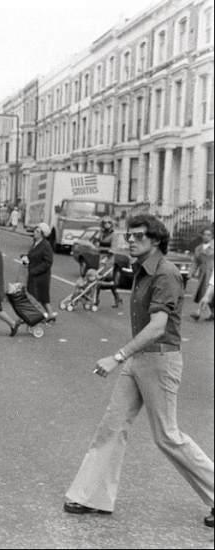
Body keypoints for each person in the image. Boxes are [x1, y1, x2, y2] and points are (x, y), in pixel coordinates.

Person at [64, 214, 214, 528]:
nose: (131, 240)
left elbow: (158, 327)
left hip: (160, 360)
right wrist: (128, 358)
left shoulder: (166, 273)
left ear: (156, 240)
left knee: (167, 437)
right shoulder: (142, 269)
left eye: (138, 236)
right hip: (139, 359)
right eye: (129, 235)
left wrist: (118, 356)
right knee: (112, 424)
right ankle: (92, 497)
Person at [22, 223, 58, 321]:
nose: (35, 232)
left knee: (36, 296)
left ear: (42, 234)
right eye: (35, 230)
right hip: (34, 274)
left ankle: (39, 316)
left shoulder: (46, 245)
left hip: (41, 275)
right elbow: (33, 255)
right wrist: (25, 256)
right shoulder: (35, 243)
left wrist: (35, 270)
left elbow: (48, 262)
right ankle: (50, 314)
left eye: (37, 231)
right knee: (42, 296)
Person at [190, 227, 214, 320]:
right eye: (205, 234)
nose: (206, 236)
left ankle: (198, 312)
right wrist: (191, 272)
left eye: (209, 235)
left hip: (212, 274)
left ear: (212, 236)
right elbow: (195, 262)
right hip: (203, 275)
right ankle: (212, 314)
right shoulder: (198, 248)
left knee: (207, 294)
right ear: (202, 236)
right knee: (206, 294)